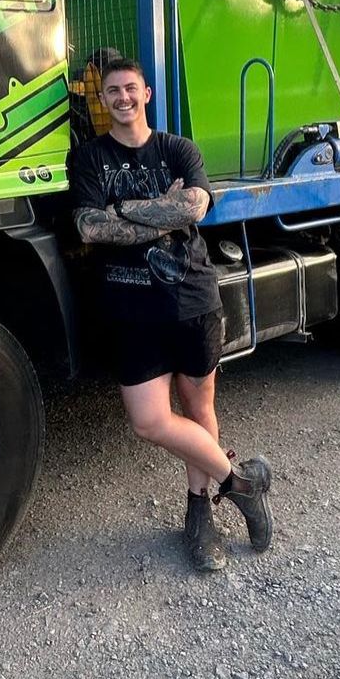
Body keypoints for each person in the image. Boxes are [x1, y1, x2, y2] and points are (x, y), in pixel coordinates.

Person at [69, 55, 273, 571]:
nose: (122, 98)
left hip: (191, 299)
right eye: (112, 91)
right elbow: (90, 228)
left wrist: (123, 212)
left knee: (200, 409)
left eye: (130, 88)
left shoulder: (178, 148)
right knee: (150, 421)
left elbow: (195, 207)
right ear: (104, 98)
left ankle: (201, 514)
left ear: (147, 94)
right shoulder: (88, 158)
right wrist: (158, 210)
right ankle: (241, 484)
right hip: (129, 308)